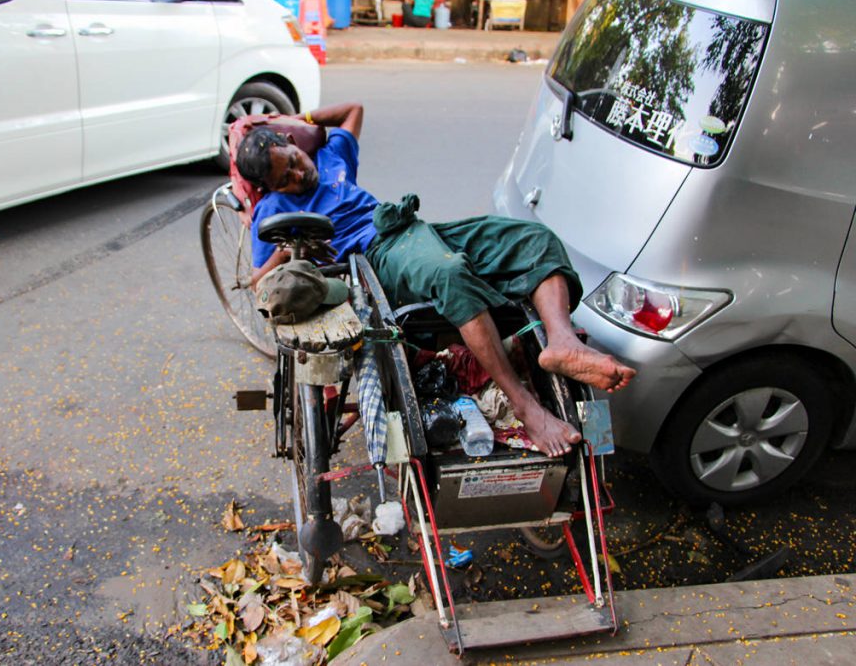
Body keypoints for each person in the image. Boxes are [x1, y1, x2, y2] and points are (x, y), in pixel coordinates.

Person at [235, 102, 636, 458]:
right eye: (283, 179)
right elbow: (259, 284)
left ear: (291, 142)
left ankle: (562, 343)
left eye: (291, 160)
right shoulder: (274, 209)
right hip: (378, 258)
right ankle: (527, 407)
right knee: (448, 274)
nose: (296, 175)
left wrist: (297, 120)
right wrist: (289, 247)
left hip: (411, 229)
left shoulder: (329, 154)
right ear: (270, 189)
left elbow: (353, 110)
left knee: (532, 240)